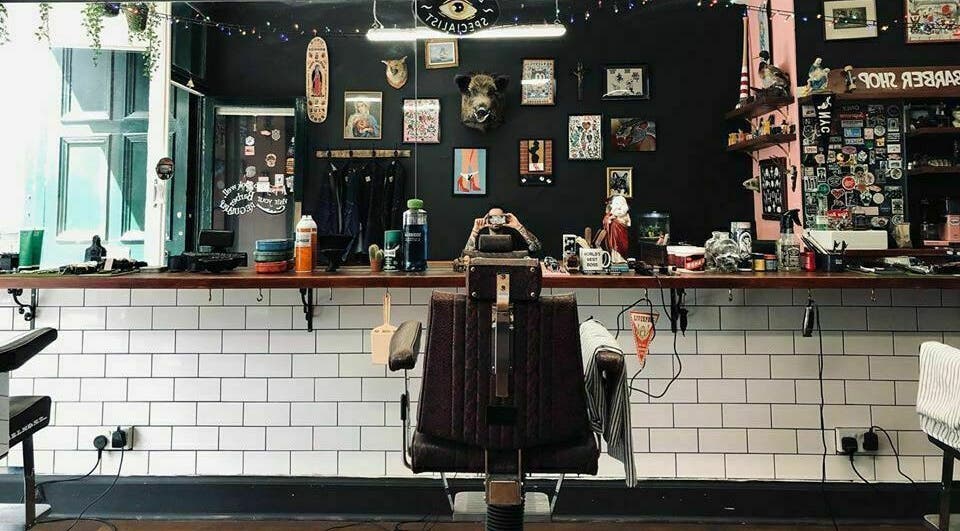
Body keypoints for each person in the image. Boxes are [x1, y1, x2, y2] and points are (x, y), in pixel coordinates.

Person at [602, 195, 631, 263]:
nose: (619, 207)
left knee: (623, 246)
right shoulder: (612, 214)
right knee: (615, 245)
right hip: (614, 235)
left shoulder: (626, 214)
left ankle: (622, 259)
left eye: (621, 204)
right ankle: (615, 259)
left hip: (623, 233)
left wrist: (625, 222)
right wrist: (610, 219)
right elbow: (605, 220)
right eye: (617, 204)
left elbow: (629, 224)